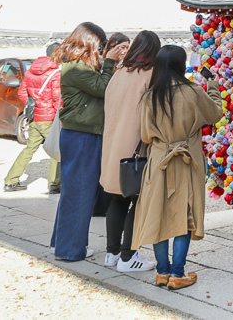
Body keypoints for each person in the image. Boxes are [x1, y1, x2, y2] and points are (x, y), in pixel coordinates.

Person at [132, 45, 223, 290]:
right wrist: (213, 87)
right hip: (186, 161)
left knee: (157, 215)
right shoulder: (193, 91)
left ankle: (162, 272)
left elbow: (146, 135)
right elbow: (215, 114)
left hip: (159, 161)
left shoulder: (151, 95)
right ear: (181, 65)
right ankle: (178, 273)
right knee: (185, 216)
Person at [49, 23, 128, 262]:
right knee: (80, 193)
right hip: (82, 135)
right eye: (100, 43)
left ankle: (64, 243)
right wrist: (111, 62)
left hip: (81, 134)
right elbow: (103, 88)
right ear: (89, 42)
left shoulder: (77, 65)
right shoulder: (76, 68)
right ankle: (70, 250)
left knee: (75, 193)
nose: (102, 47)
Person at [99, 30, 161, 273]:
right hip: (137, 147)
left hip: (113, 145)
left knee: (116, 198)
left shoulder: (119, 72)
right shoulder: (151, 73)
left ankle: (112, 253)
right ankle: (128, 256)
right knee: (137, 200)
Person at [4, 43, 62, 193]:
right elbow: (57, 99)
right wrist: (57, 115)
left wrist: (33, 106)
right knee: (56, 150)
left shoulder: (31, 70)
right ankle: (54, 185)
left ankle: (11, 180)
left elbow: (22, 93)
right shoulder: (55, 73)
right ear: (57, 54)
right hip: (48, 118)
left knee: (29, 149)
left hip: (34, 117)